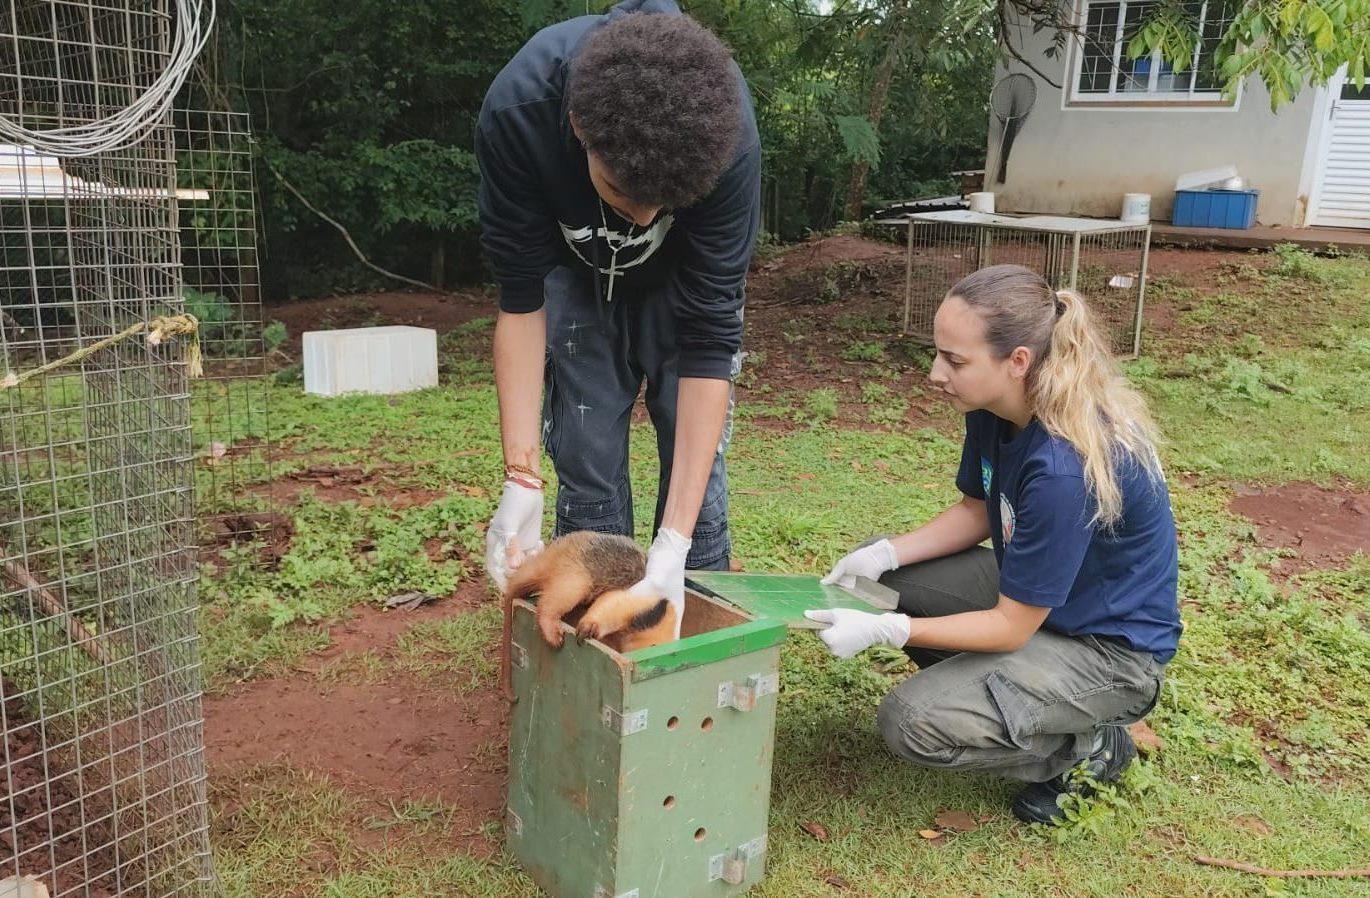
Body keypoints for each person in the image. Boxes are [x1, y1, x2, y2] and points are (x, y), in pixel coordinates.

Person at [804, 264, 1181, 825]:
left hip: (1107, 650)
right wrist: (883, 555)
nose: (936, 373)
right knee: (880, 581)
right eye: (938, 353)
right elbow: (978, 508)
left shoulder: (1063, 467)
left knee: (911, 720)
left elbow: (1011, 627)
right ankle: (1002, 692)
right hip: (1047, 603)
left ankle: (1088, 747)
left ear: (1018, 362)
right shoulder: (997, 409)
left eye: (954, 360)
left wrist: (892, 630)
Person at [475, 0, 761, 632]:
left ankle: (692, 607)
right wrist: (520, 474)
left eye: (659, 203)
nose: (639, 219)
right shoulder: (519, 112)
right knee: (586, 451)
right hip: (573, 281)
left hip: (684, 285)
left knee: (695, 475)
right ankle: (586, 642)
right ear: (579, 127)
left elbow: (712, 341)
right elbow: (522, 300)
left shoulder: (726, 134)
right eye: (622, 193)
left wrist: (675, 544)